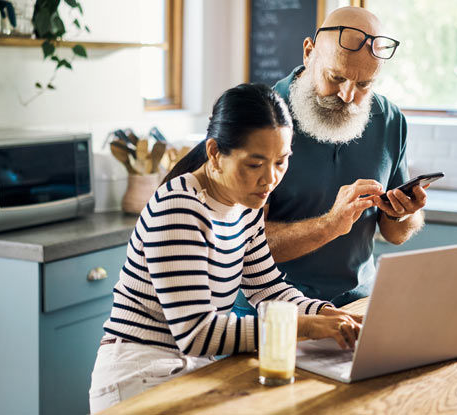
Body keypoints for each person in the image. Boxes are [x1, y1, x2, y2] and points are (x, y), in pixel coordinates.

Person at [89, 83, 364, 413]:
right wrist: (303, 325)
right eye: (255, 164)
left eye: (281, 161)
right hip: (138, 376)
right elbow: (197, 333)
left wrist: (324, 313)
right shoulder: (179, 207)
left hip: (190, 370)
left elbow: (267, 287)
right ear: (215, 153)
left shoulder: (244, 203)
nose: (270, 179)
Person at [232, 7, 428, 316]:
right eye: (336, 77)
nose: (348, 96)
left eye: (365, 84)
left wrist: (404, 214)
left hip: (358, 307)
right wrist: (329, 226)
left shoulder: (391, 121)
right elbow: (238, 245)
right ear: (309, 53)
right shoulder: (260, 117)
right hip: (272, 311)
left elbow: (395, 235)